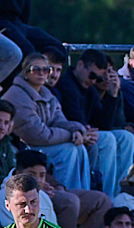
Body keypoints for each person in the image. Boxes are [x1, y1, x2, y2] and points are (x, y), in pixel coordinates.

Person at [51, 49, 134, 198]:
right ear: (80, 65)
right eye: (93, 75)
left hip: (84, 132)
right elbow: (74, 117)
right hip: (70, 134)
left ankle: (120, 195)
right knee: (107, 140)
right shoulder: (67, 84)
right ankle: (106, 196)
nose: (94, 81)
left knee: (126, 137)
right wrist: (84, 129)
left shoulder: (89, 90)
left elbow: (104, 124)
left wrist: (113, 95)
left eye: (99, 78)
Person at [4, 54, 91, 192]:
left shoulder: (47, 94)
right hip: (26, 147)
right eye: (35, 69)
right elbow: (38, 135)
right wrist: (70, 135)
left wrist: (77, 130)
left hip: (43, 144)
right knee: (68, 150)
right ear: (26, 72)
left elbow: (60, 121)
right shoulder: (17, 95)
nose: (42, 73)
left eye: (46, 70)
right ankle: (64, 193)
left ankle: (81, 192)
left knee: (79, 147)